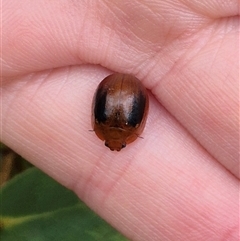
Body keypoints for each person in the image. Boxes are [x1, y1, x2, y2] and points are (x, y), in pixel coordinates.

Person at [2, 1, 239, 240]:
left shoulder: (125, 127)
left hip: (121, 86)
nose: (115, 146)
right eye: (119, 145)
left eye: (113, 145)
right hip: (120, 87)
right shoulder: (116, 126)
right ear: (127, 141)